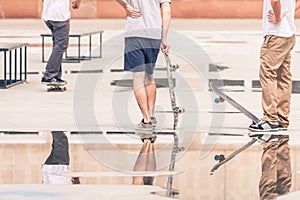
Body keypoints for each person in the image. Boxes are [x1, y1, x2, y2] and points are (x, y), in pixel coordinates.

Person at [248, 0, 300, 199]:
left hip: (276, 33)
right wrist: (286, 14)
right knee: (284, 76)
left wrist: (279, 16)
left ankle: (270, 119)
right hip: (289, 33)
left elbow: (275, 0)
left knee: (268, 73)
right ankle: (281, 118)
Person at [115, 0, 172, 130]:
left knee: (138, 78)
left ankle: (146, 120)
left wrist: (126, 6)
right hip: (154, 34)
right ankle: (151, 115)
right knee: (149, 76)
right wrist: (163, 38)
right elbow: (167, 11)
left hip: (134, 33)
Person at [41, 0, 81, 85]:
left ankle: (56, 76)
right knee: (61, 46)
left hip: (48, 14)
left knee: (57, 45)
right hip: (60, 16)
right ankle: (49, 75)